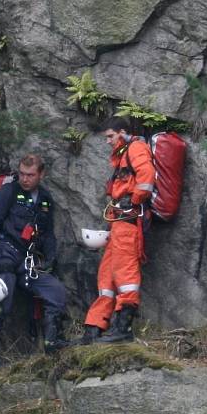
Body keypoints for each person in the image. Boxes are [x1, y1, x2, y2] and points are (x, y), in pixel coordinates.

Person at [0, 153, 68, 363]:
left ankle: (52, 342)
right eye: (22, 174)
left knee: (55, 291)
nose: (25, 179)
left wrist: (50, 259)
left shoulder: (45, 199)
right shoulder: (9, 191)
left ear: (41, 174)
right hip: (5, 254)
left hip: (29, 260)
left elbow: (47, 235)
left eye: (30, 175)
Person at [76, 117, 155, 344]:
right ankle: (94, 328)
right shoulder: (123, 153)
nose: (108, 141)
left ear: (123, 132)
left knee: (125, 274)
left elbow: (147, 177)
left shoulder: (136, 147)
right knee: (106, 277)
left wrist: (134, 198)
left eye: (111, 136)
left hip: (129, 223)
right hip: (119, 222)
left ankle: (123, 328)